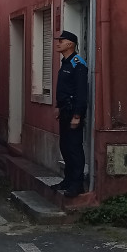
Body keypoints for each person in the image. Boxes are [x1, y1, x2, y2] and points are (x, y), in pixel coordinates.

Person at [51, 30, 88, 198]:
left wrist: (77, 115)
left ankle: (77, 184)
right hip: (65, 111)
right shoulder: (65, 63)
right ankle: (67, 180)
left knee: (74, 148)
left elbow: (81, 91)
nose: (58, 43)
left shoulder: (77, 63)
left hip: (73, 112)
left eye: (61, 41)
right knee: (64, 147)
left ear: (70, 44)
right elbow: (63, 89)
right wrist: (59, 107)